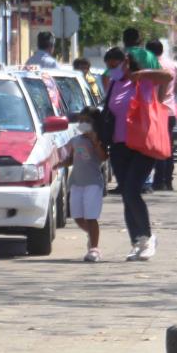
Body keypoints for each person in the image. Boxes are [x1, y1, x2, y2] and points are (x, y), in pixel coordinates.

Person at [108, 47, 176, 261]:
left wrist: (142, 74)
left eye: (127, 62)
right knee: (127, 197)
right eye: (122, 62)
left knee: (132, 191)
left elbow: (168, 76)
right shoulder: (115, 84)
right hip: (119, 146)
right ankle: (137, 241)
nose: (123, 65)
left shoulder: (146, 83)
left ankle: (147, 238)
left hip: (142, 145)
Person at [69, 107, 107, 262]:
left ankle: (94, 249)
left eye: (87, 121)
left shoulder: (97, 140)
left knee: (91, 217)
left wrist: (95, 141)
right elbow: (71, 158)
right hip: (76, 182)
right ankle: (91, 233)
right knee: (77, 217)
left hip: (92, 183)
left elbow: (103, 157)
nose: (83, 124)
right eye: (81, 121)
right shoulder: (75, 140)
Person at [145, 39, 177, 192]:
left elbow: (157, 91)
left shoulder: (152, 67)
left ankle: (159, 181)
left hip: (157, 110)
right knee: (168, 147)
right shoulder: (171, 64)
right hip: (170, 110)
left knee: (157, 147)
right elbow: (176, 88)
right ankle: (167, 181)